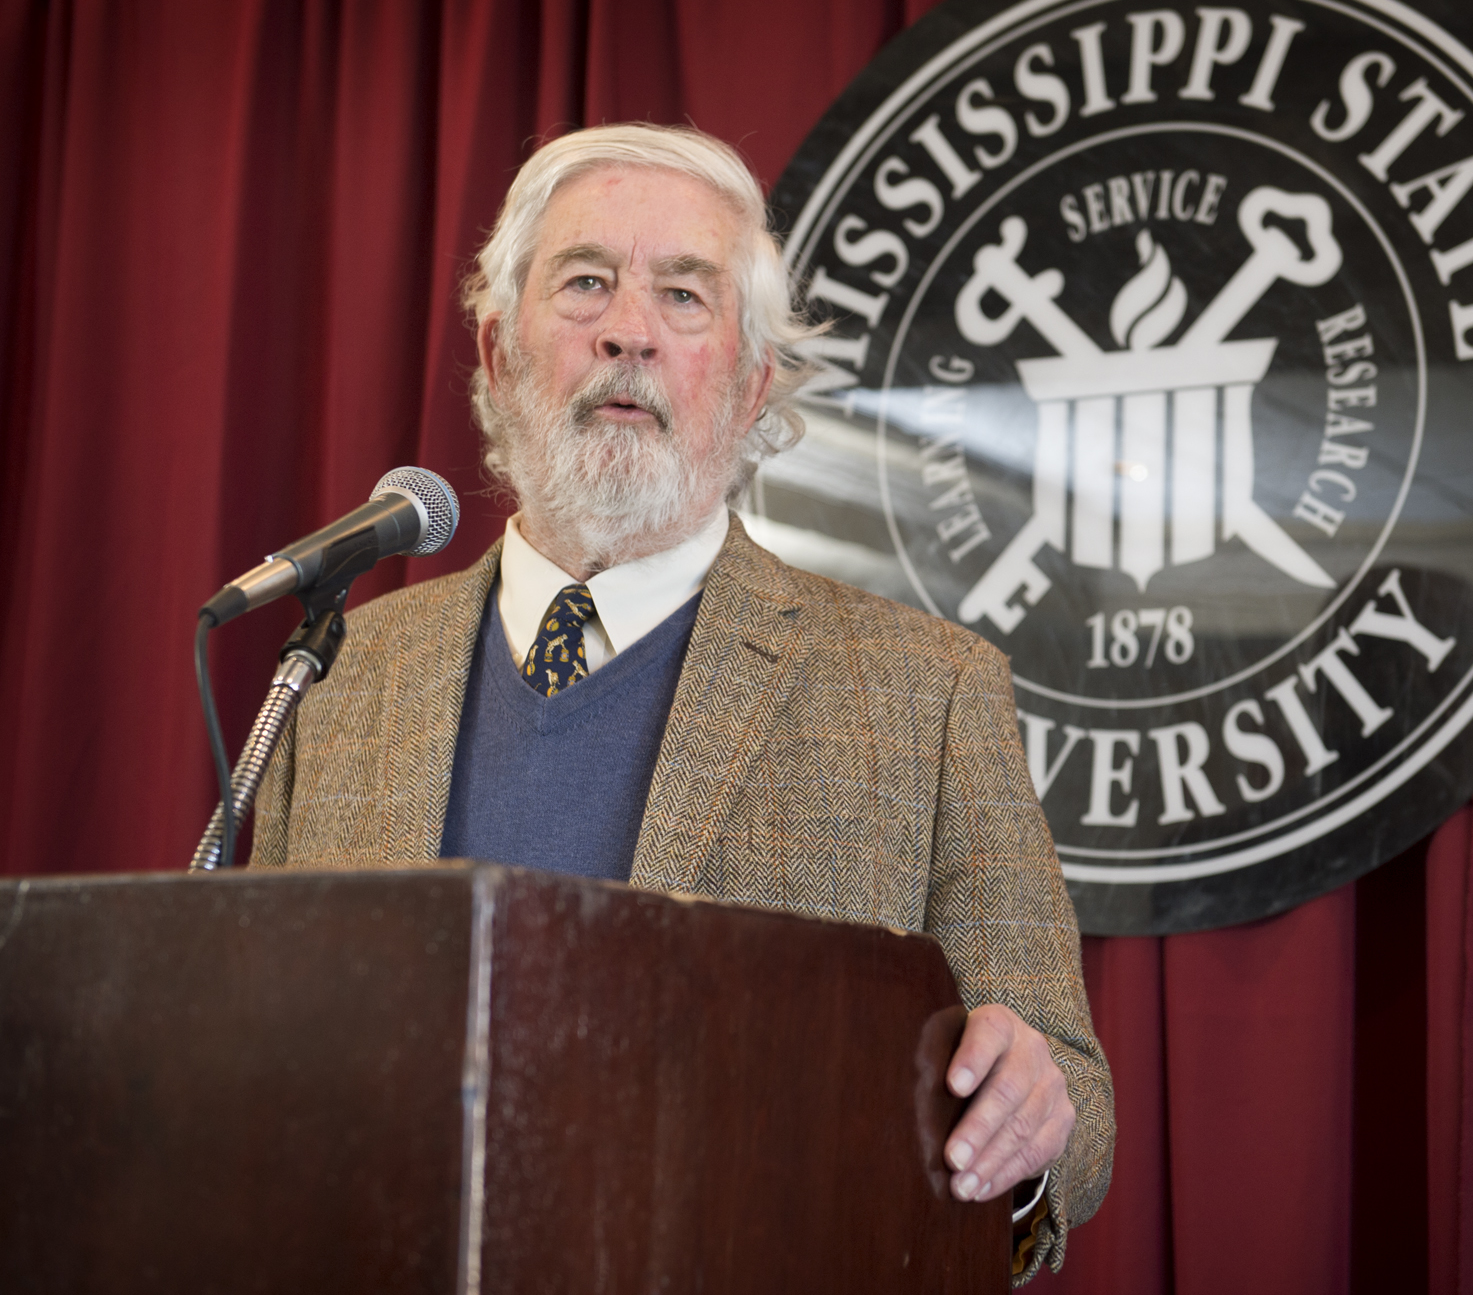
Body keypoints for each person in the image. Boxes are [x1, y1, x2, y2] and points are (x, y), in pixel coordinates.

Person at [249, 122, 1110, 1283]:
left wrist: (1034, 1115)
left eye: (683, 295)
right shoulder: (343, 672)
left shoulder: (928, 689)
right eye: (587, 281)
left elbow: (1070, 1091)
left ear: (752, 381)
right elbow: (258, 1048)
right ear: (498, 353)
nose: (628, 329)